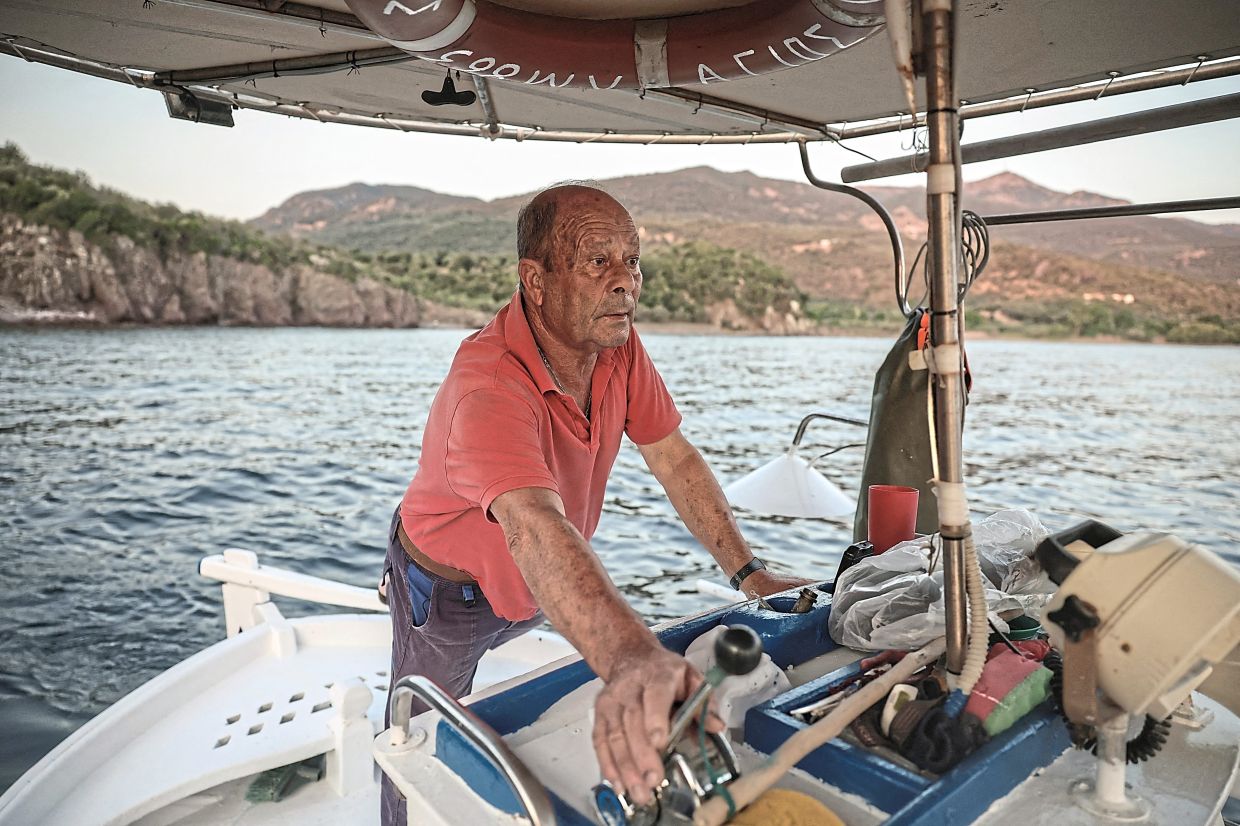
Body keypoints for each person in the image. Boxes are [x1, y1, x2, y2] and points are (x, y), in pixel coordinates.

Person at [381, 183, 809, 824]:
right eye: (597, 261)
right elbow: (532, 526)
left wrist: (749, 574)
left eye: (632, 260)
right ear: (536, 279)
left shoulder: (618, 347)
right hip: (448, 594)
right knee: (417, 742)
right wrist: (633, 658)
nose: (625, 282)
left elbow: (674, 459)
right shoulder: (488, 384)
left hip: (538, 582)